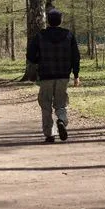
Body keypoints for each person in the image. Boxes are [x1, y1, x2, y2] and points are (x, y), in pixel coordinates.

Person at [26, 8, 80, 143]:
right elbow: (76, 57)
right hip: (63, 75)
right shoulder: (69, 35)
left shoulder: (40, 36)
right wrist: (76, 75)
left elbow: (30, 55)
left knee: (45, 105)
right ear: (60, 21)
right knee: (61, 104)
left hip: (45, 76)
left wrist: (38, 60)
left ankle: (49, 134)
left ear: (48, 21)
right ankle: (61, 120)